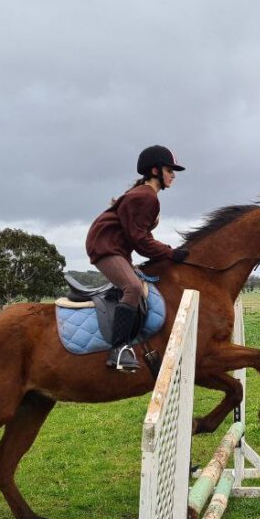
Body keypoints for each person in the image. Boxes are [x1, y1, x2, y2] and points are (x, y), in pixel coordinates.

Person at [85, 145, 189, 371]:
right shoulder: (146, 196)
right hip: (105, 247)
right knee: (132, 287)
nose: (173, 175)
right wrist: (171, 253)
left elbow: (141, 237)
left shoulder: (145, 195)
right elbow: (141, 240)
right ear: (155, 171)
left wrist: (165, 253)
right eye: (170, 170)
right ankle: (119, 350)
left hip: (116, 249)